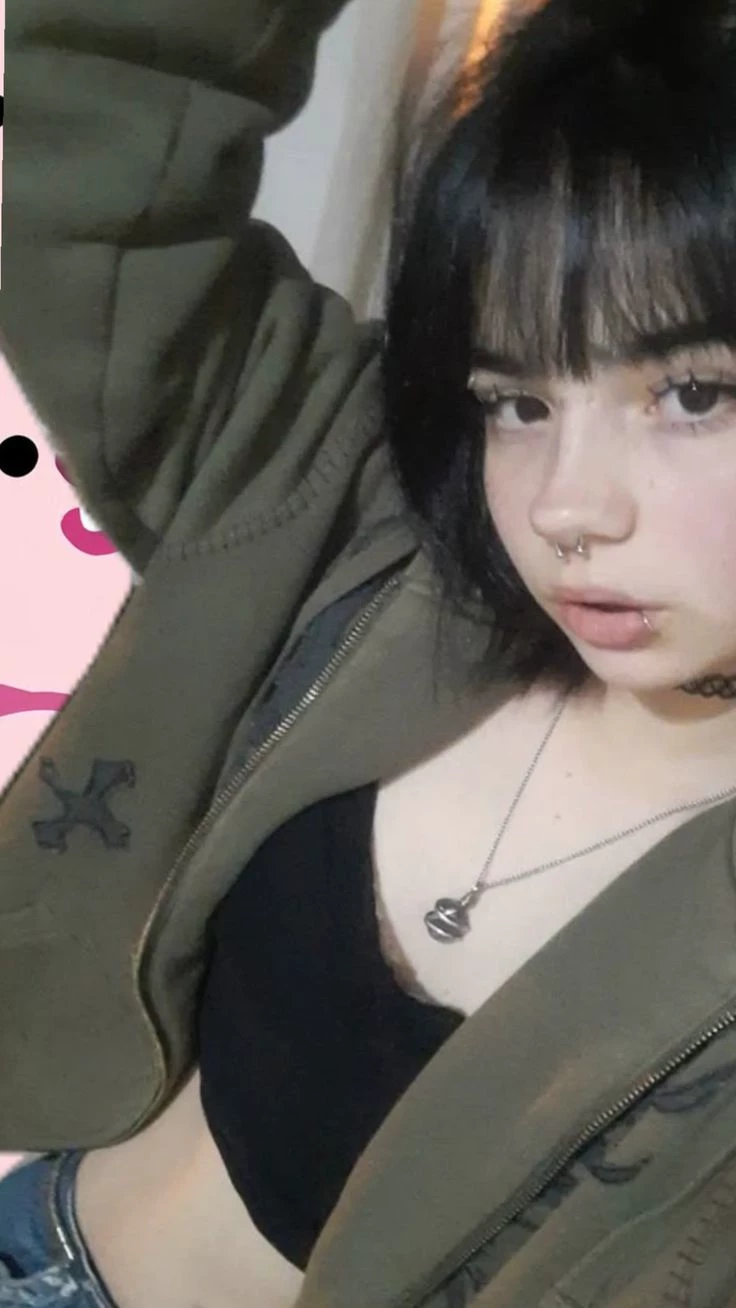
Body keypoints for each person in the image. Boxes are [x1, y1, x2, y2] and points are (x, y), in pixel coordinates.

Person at [2, 0, 736, 1305]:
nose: (565, 508)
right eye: (517, 400)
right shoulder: (375, 521)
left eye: (692, 393)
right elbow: (99, 175)